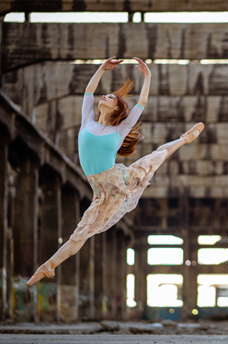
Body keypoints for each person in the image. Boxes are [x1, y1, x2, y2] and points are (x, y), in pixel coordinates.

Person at [27, 57, 205, 287]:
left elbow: (141, 103)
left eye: (111, 97)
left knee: (156, 156)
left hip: (120, 180)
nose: (105, 96)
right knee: (81, 233)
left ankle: (184, 138)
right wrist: (101, 68)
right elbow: (88, 91)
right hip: (101, 192)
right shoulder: (87, 121)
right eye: (106, 95)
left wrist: (147, 76)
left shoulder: (120, 129)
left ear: (117, 108)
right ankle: (49, 265)